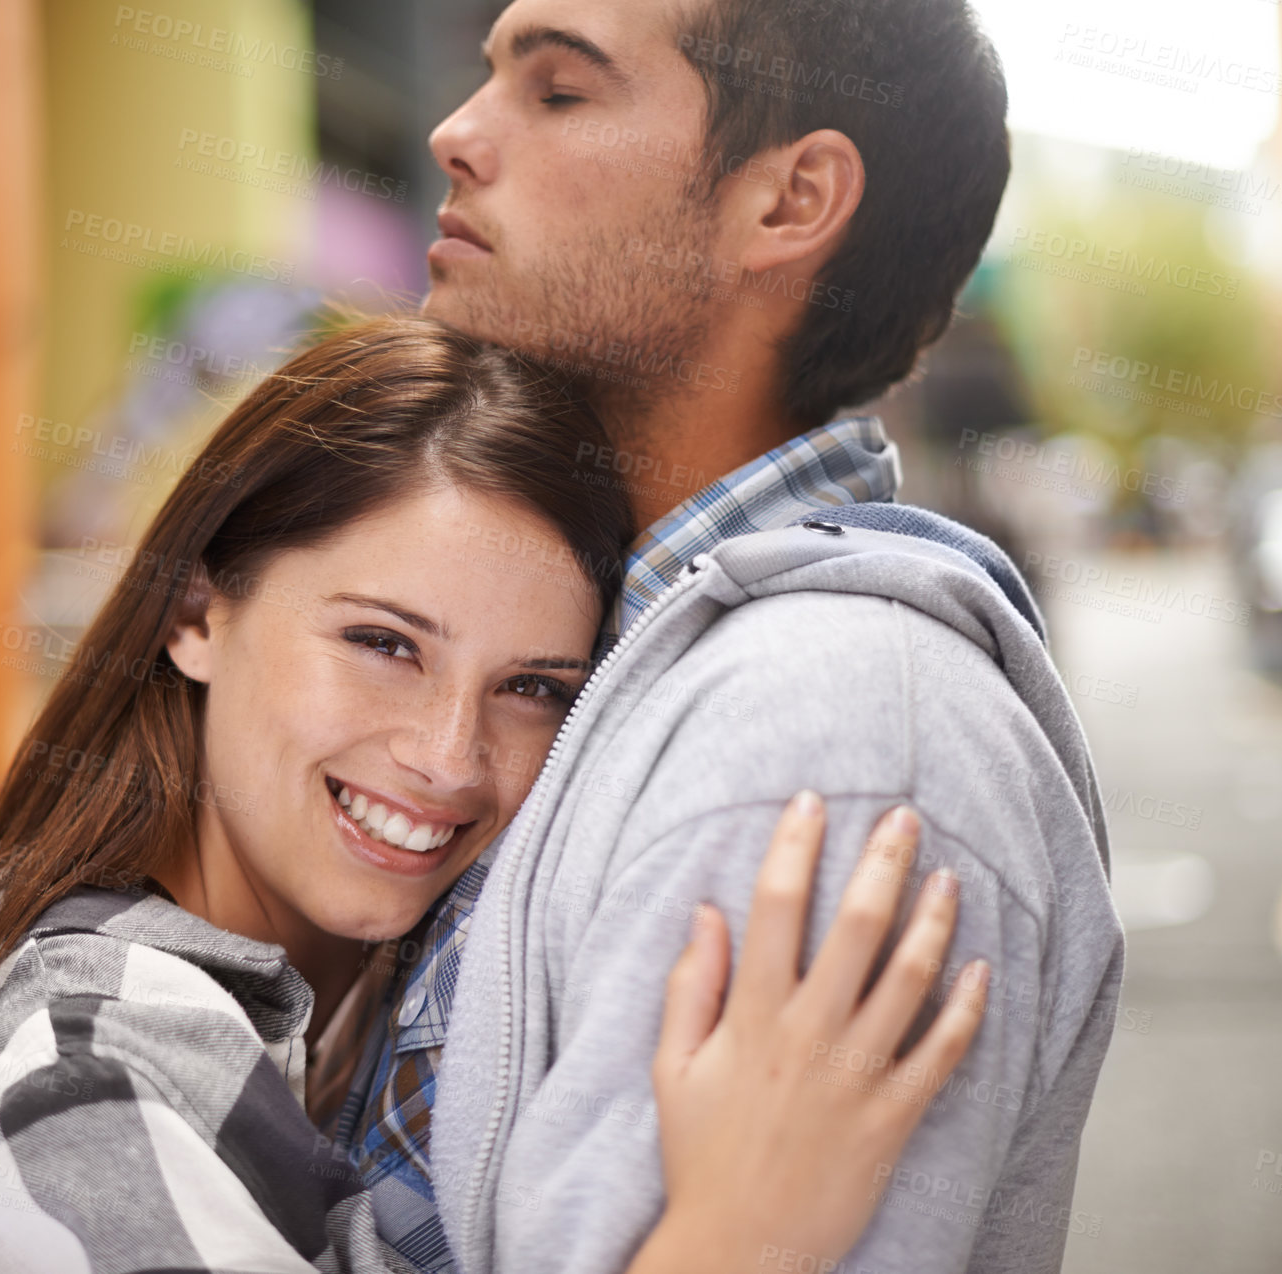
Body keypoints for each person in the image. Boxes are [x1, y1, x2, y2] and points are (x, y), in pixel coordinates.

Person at [0, 316, 989, 1274]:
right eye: (384, 642)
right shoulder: (80, 1080)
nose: (448, 755)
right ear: (195, 615)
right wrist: (735, 1234)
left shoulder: (331, 1030)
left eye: (532, 686)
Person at [335, 3, 1126, 1273]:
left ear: (790, 200)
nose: (454, 133)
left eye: (558, 91)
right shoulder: (604, 640)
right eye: (489, 74)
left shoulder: (834, 736)